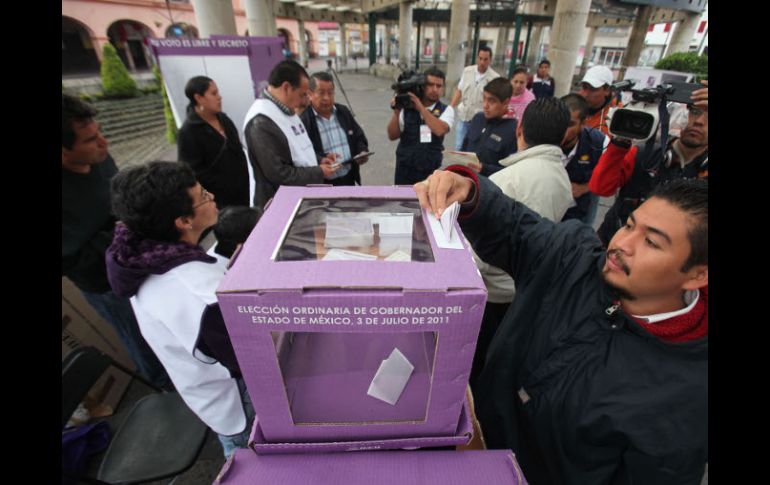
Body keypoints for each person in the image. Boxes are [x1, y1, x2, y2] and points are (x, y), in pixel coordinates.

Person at [414, 170, 708, 485]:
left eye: (651, 241)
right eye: (629, 225)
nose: (622, 244)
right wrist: (470, 192)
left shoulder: (688, 397)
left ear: (696, 276)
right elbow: (513, 227)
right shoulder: (572, 256)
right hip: (464, 441)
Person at [105, 161, 254, 458]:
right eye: (203, 196)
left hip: (202, 392)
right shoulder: (199, 293)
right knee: (247, 455)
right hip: (235, 403)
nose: (211, 195)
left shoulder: (142, 254)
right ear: (183, 221)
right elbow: (252, 360)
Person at [62, 94, 170, 390]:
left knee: (165, 328)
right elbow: (72, 259)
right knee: (142, 341)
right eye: (89, 140)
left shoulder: (99, 158)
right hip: (105, 284)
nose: (103, 143)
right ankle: (167, 394)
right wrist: (118, 239)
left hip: (138, 259)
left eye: (100, 133)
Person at [466, 97, 573, 388]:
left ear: (519, 129)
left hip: (492, 296)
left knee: (476, 365)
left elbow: (480, 254)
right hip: (525, 291)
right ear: (564, 135)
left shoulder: (505, 180)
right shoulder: (561, 176)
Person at [590, 82, 708, 246]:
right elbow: (600, 187)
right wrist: (620, 141)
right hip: (611, 243)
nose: (699, 121)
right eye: (695, 112)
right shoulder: (644, 153)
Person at [243, 60, 339, 208]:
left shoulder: (285, 108)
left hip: (300, 196)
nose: (305, 100)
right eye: (302, 94)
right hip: (278, 204)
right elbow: (279, 174)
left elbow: (297, 149)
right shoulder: (261, 122)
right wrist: (318, 172)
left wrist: (320, 160)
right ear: (286, 87)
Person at [177, 76, 250, 209]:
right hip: (218, 202)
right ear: (198, 98)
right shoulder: (188, 132)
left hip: (243, 194)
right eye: (213, 93)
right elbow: (192, 173)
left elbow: (238, 151)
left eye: (218, 93)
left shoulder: (224, 120)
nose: (219, 97)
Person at [300, 71, 370, 186]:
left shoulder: (343, 112)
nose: (326, 98)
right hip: (323, 183)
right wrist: (320, 159)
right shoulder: (304, 121)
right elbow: (302, 153)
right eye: (321, 93)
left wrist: (362, 151)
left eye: (330, 92)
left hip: (348, 177)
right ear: (310, 94)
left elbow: (358, 136)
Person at [388, 66, 455, 185]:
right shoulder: (406, 108)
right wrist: (397, 111)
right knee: (402, 202)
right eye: (430, 85)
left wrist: (420, 107)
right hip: (405, 168)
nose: (435, 89)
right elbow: (392, 135)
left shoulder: (446, 110)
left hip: (430, 170)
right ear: (422, 86)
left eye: (439, 86)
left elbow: (440, 130)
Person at [559, 93, 609, 225]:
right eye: (560, 121)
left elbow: (612, 178)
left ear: (583, 123)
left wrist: (586, 187)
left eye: (570, 124)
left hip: (579, 214)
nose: (562, 129)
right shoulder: (542, 136)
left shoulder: (600, 143)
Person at [460, 77, 518, 176]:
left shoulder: (514, 130)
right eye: (484, 98)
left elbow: (511, 171)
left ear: (505, 102)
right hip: (465, 179)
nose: (485, 105)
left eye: (491, 101)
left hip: (490, 187)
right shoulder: (477, 119)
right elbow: (463, 149)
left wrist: (483, 168)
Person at [450, 46, 500, 150]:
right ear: (477, 58)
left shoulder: (495, 78)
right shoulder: (467, 71)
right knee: (459, 146)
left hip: (480, 121)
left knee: (474, 148)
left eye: (485, 59)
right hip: (463, 117)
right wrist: (450, 107)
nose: (482, 62)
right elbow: (459, 90)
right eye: (480, 58)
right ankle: (457, 166)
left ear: (490, 60)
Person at [578, 65, 621, 135]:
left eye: (592, 89)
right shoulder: (572, 108)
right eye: (584, 87)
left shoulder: (618, 116)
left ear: (607, 90)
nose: (585, 94)